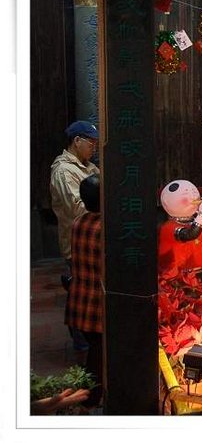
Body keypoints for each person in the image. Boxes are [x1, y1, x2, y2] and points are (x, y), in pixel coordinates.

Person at [50, 120, 100, 350]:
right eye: (91, 143)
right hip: (77, 242)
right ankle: (81, 345)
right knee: (80, 289)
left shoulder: (89, 167)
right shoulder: (64, 171)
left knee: (89, 289)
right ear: (76, 141)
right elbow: (78, 207)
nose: (94, 148)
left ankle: (89, 342)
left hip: (93, 237)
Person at [64, 174, 104, 407]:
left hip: (80, 299)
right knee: (98, 355)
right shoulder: (104, 228)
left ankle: (89, 397)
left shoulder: (79, 222)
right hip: (96, 305)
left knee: (95, 351)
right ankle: (90, 400)